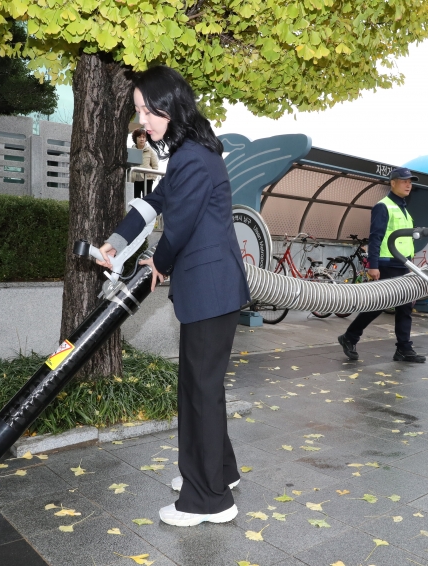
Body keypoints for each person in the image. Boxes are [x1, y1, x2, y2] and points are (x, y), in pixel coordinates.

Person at [97, 65, 251, 527]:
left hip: (210, 290)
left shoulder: (194, 157)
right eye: (138, 111)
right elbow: (156, 202)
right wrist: (116, 242)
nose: (142, 120)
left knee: (200, 392)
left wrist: (157, 263)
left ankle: (210, 501)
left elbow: (178, 224)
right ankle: (219, 473)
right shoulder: (189, 151)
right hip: (210, 290)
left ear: (172, 104)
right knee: (201, 389)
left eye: (148, 109)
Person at [338, 167, 426, 363]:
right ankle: (349, 337)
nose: (409, 184)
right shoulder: (383, 206)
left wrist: (411, 263)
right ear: (392, 182)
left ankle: (404, 348)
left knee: (404, 307)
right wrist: (373, 265)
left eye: (410, 181)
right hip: (387, 264)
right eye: (404, 181)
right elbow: (375, 237)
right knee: (378, 305)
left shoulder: (403, 208)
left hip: (404, 264)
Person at [130, 128, 159, 198]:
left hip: (147, 179)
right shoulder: (131, 150)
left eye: (143, 137)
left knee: (147, 199)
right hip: (135, 180)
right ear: (135, 138)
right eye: (139, 137)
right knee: (135, 200)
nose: (142, 139)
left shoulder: (150, 150)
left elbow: (155, 166)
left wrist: (152, 178)